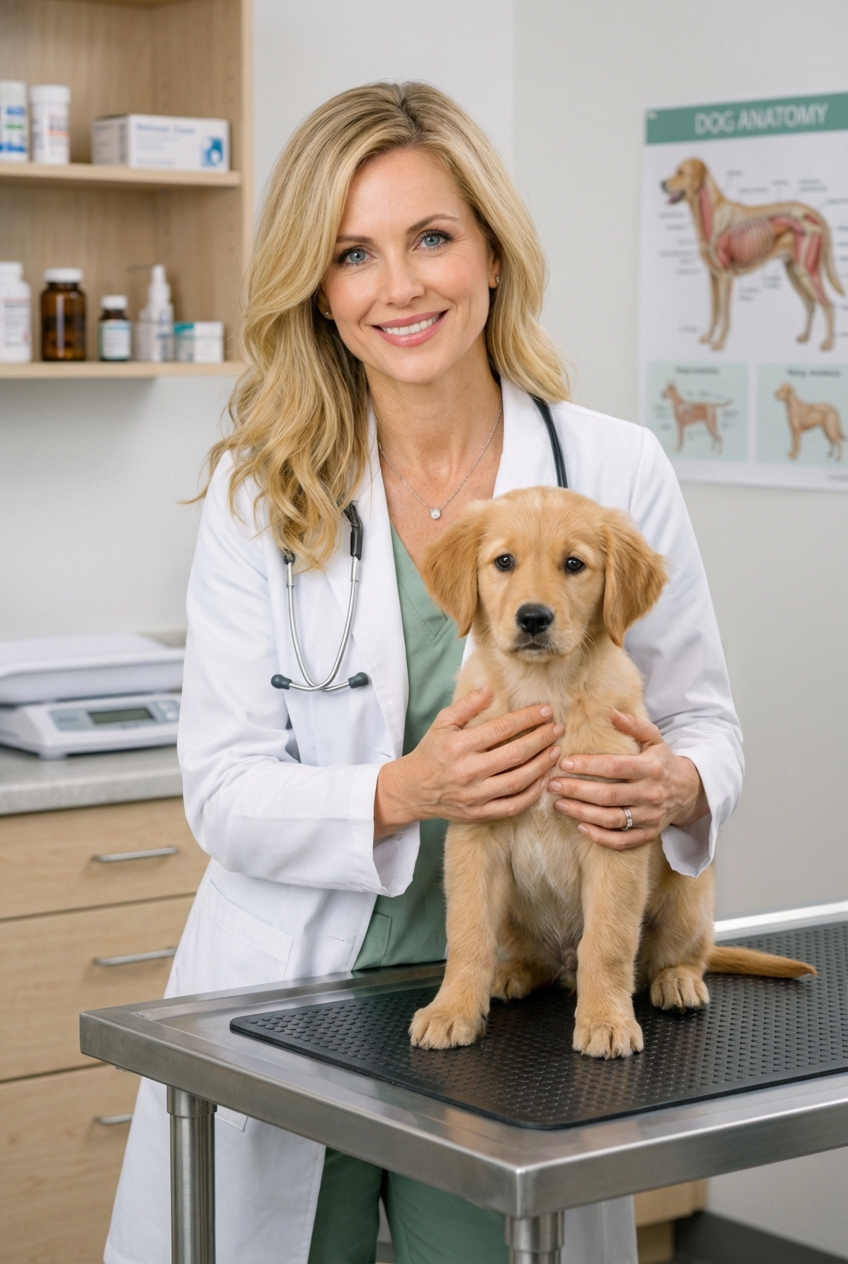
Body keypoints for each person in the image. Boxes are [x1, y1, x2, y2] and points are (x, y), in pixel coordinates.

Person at [105, 82, 743, 1264]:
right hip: (305, 1000)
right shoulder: (263, 493)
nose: (398, 287)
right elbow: (222, 788)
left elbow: (701, 717)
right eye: (354, 254)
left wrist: (678, 788)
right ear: (320, 291)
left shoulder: (611, 464)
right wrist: (406, 789)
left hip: (523, 1010)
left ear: (490, 251)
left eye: (431, 238)